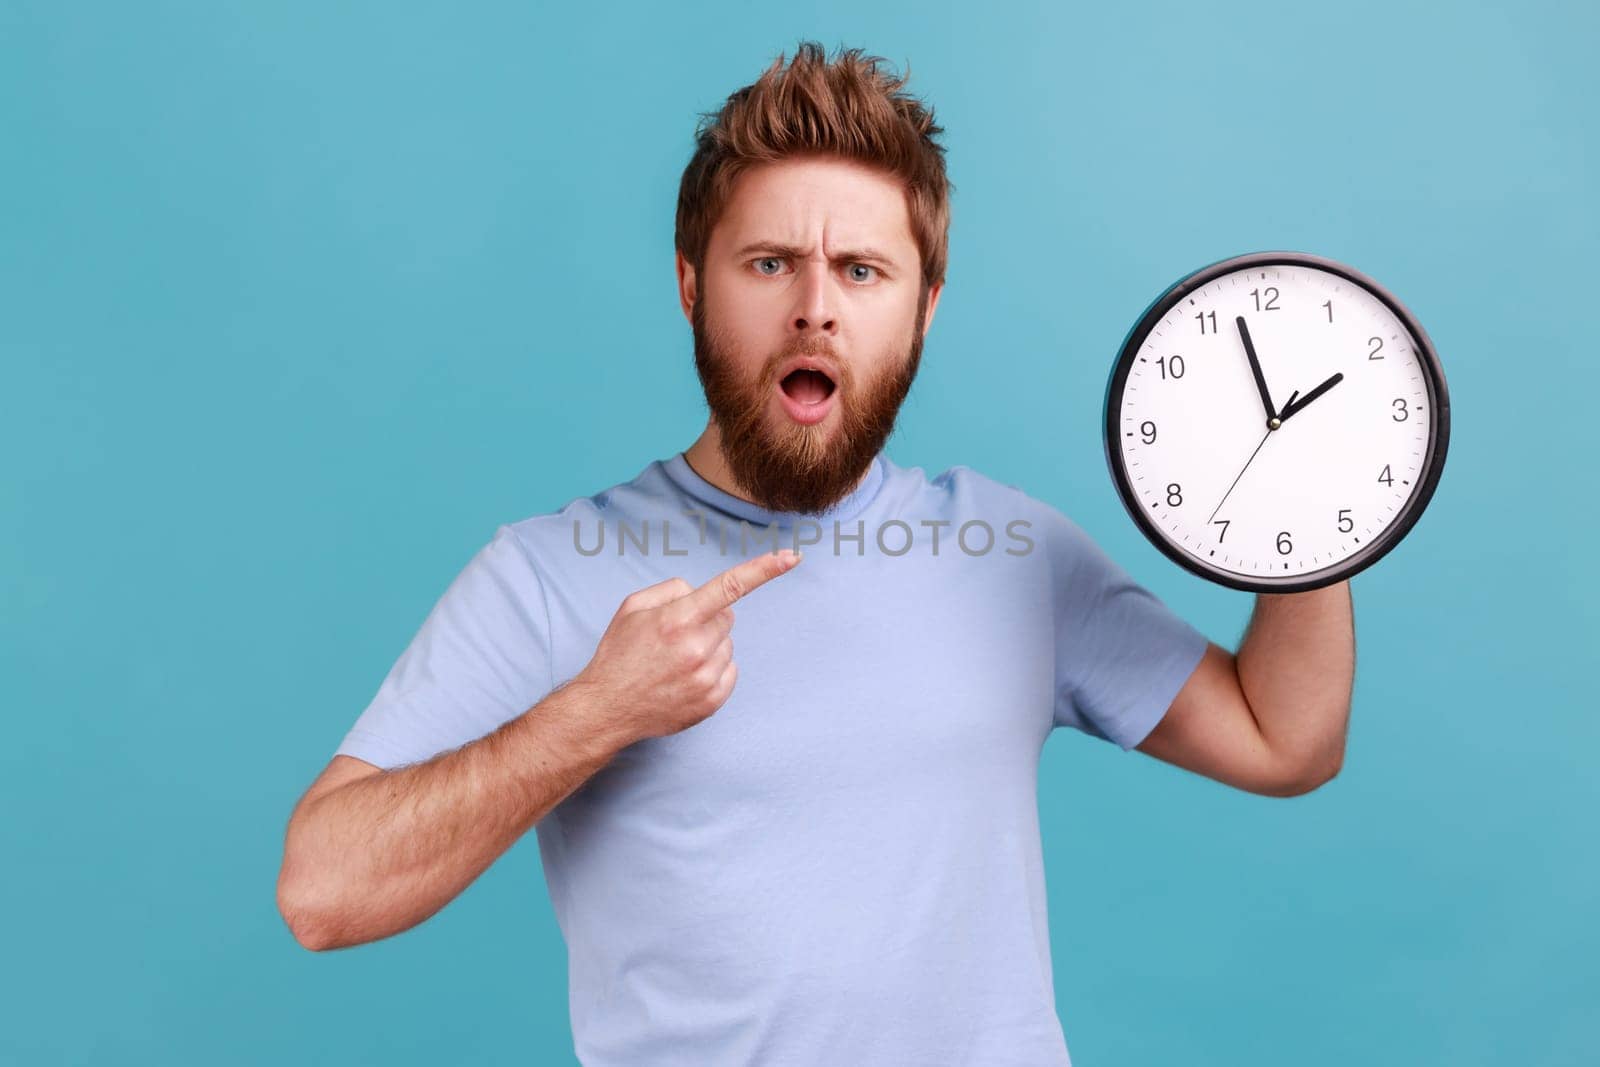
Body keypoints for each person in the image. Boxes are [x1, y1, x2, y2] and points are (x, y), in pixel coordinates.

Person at [275, 40, 1355, 1066]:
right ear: (693, 284)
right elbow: (323, 891)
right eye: (770, 261)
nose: (815, 309)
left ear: (923, 310)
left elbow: (1281, 739)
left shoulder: (1010, 549)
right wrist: (596, 711)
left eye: (862, 271)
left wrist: (1307, 507)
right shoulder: (550, 571)